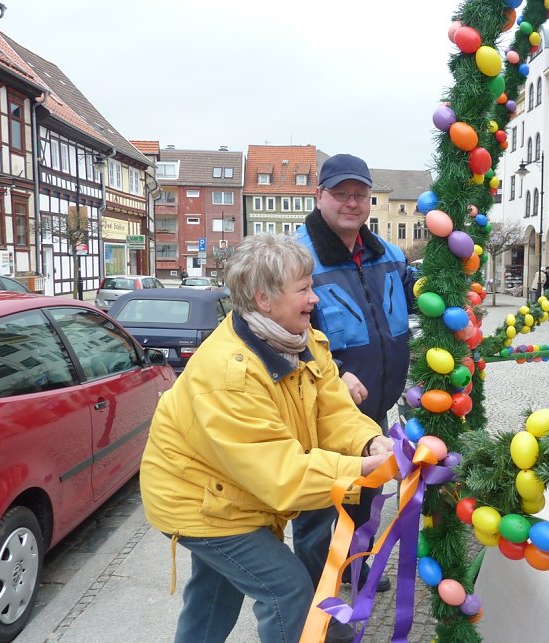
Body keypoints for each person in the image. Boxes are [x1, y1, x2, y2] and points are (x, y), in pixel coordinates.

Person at [139, 234, 394, 643]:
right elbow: (280, 474)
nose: (315, 298)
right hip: (198, 498)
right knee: (287, 589)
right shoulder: (228, 376)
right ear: (263, 299)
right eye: (304, 289)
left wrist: (369, 441)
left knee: (214, 594)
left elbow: (332, 409)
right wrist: (358, 472)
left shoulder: (301, 339)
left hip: (235, 489)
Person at [294, 154, 412, 602]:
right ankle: (308, 597)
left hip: (374, 404)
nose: (351, 203)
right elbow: (278, 330)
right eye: (340, 194)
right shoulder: (297, 257)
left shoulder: (387, 253)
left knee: (367, 495)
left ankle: (354, 570)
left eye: (359, 195)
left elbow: (417, 293)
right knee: (320, 506)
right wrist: (335, 373)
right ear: (319, 195)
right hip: (320, 410)